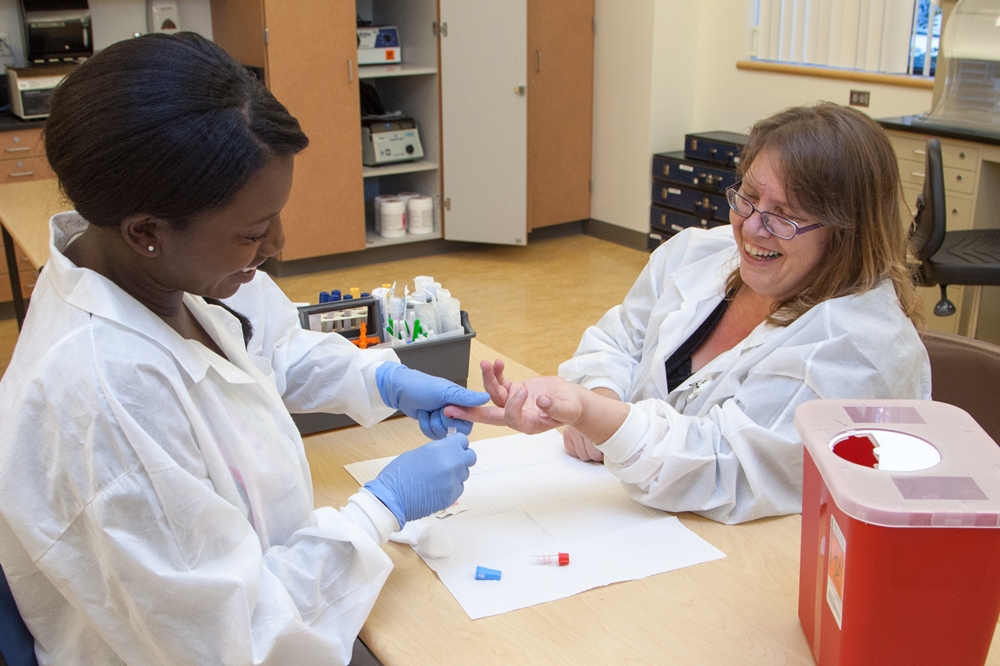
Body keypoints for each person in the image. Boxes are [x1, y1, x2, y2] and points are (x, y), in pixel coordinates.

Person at [0, 33, 489, 666]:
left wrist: (382, 380)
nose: (278, 244)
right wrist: (379, 509)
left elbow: (268, 351)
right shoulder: (101, 395)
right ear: (146, 231)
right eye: (253, 232)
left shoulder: (160, 272)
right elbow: (233, 641)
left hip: (272, 589)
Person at [448, 102, 931, 525]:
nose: (752, 227)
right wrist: (598, 398)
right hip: (632, 516)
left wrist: (598, 417)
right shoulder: (704, 254)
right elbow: (619, 339)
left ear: (847, 233)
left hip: (750, 559)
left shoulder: (856, 346)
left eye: (786, 215)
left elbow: (729, 469)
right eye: (749, 196)